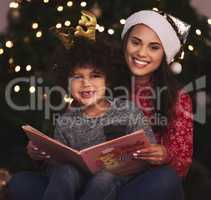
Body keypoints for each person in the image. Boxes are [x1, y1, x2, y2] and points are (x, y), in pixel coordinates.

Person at [8, 36, 156, 200]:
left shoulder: (127, 110)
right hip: (77, 181)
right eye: (77, 77)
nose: (86, 83)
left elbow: (149, 149)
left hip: (117, 180)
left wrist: (150, 153)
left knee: (105, 177)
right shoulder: (65, 121)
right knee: (65, 171)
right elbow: (56, 166)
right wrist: (42, 154)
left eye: (95, 75)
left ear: (107, 81)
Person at [117, 10, 193, 200]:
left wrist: (165, 155)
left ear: (164, 54)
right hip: (96, 179)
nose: (141, 53)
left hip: (143, 183)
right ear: (125, 42)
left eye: (153, 47)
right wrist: (43, 154)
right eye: (135, 42)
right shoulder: (99, 80)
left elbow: (182, 164)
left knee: (166, 179)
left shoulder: (177, 97)